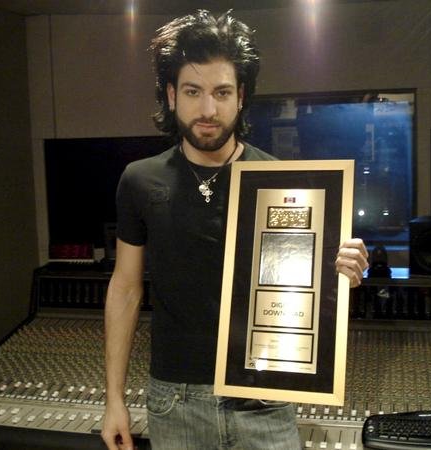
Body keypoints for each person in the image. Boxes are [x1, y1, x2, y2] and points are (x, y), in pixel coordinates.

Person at [101, 10, 369, 450]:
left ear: (241, 96)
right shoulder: (140, 180)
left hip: (264, 397)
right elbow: (125, 288)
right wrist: (114, 398)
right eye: (193, 91)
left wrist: (343, 272)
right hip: (175, 400)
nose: (208, 109)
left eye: (222, 92)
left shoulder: (281, 180)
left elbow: (306, 290)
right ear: (171, 95)